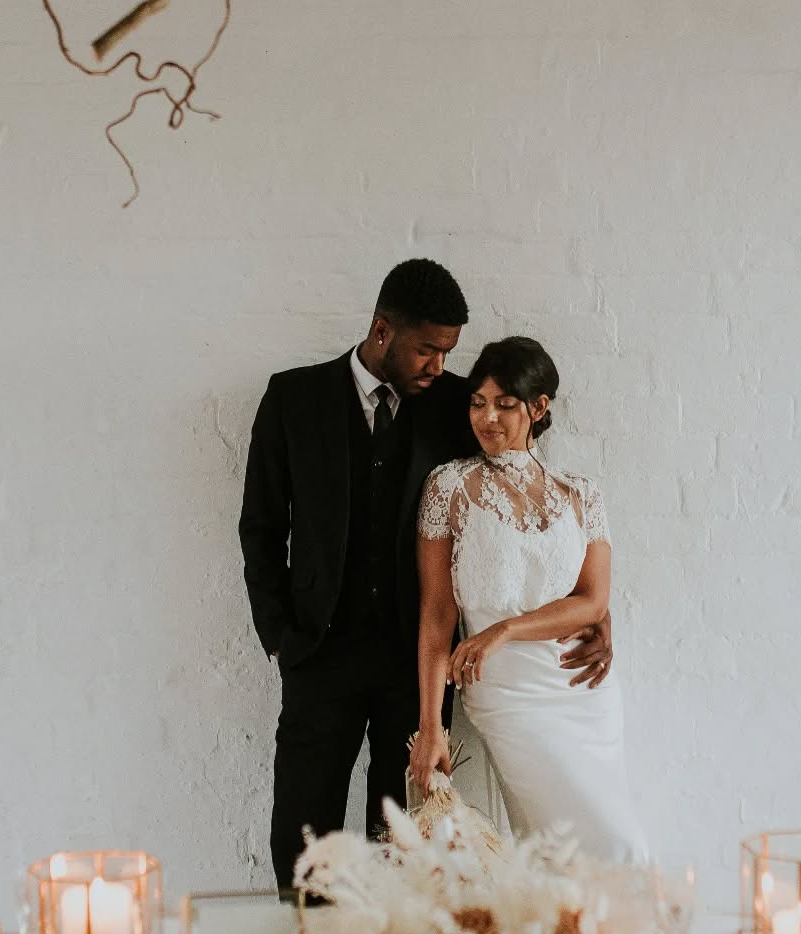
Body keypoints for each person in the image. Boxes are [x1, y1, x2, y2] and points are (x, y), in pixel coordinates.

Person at [240, 263, 614, 886]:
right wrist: (280, 635)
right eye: (428, 350)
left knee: (405, 844)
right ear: (382, 331)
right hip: (318, 654)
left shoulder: (457, 405)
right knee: (304, 837)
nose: (439, 366)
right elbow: (260, 526)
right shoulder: (293, 398)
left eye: (448, 352)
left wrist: (594, 610)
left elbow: (527, 512)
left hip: (413, 663)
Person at [409, 335, 647, 861]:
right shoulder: (449, 487)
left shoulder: (581, 493)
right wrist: (432, 726)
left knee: (580, 848)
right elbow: (436, 614)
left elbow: (592, 601)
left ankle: (574, 919)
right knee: (607, 843)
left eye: (505, 404)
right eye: (478, 403)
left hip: (585, 693)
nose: (487, 418)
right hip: (508, 697)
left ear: (538, 408)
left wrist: (504, 630)